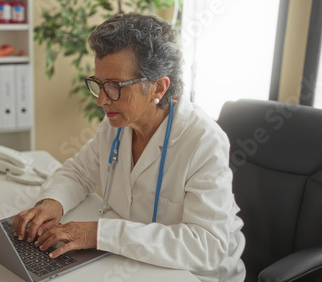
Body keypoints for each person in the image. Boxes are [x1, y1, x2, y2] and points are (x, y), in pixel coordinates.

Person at [13, 13, 245, 282]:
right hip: (130, 261)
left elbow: (206, 246)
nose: (101, 99)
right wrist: (52, 203)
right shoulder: (119, 121)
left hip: (191, 274)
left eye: (114, 86)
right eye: (99, 84)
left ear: (158, 87)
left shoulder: (203, 141)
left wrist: (99, 234)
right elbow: (79, 173)